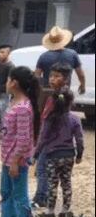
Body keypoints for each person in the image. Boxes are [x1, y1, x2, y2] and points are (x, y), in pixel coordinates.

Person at [0, 66, 40, 217]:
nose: (6, 83)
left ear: (14, 83)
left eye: (8, 79)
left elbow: (24, 140)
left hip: (17, 161)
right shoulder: (12, 101)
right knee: (6, 191)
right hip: (7, 159)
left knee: (19, 195)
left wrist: (15, 162)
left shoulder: (23, 107)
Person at [34, 88, 84, 217]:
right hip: (68, 155)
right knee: (66, 182)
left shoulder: (50, 119)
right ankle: (65, 210)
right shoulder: (75, 119)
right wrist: (79, 154)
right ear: (71, 102)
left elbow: (43, 138)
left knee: (52, 183)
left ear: (54, 102)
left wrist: (36, 154)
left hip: (52, 156)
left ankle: (50, 211)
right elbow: (79, 139)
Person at [33, 63, 72, 209]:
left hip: (49, 142)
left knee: (43, 169)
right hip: (54, 142)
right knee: (53, 174)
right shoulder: (56, 95)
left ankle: (41, 197)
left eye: (56, 76)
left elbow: (49, 124)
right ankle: (49, 199)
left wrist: (39, 146)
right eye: (50, 75)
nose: (51, 79)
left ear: (66, 79)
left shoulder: (60, 97)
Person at [35, 26, 86, 95]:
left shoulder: (43, 56)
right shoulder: (72, 54)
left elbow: (37, 76)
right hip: (64, 91)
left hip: (47, 92)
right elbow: (81, 74)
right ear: (63, 40)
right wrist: (82, 85)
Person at [0, 44, 14, 131]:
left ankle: (6, 135)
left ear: (8, 54)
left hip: (4, 94)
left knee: (4, 115)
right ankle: (1, 134)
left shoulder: (10, 66)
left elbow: (10, 81)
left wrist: (8, 94)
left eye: (2, 52)